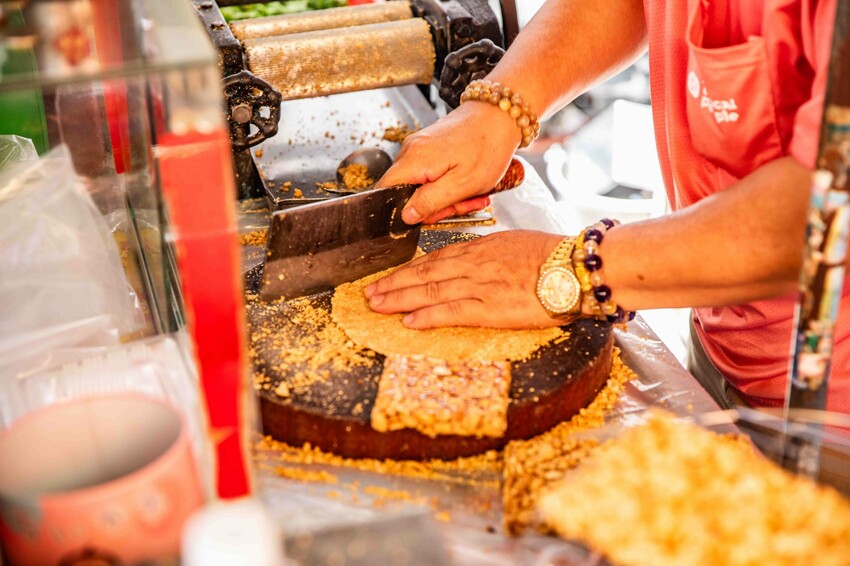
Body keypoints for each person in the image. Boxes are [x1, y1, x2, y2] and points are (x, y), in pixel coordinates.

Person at [364, 0, 850, 413]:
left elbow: (828, 213)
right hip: (721, 336)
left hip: (828, 403)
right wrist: (499, 108)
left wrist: (572, 271)